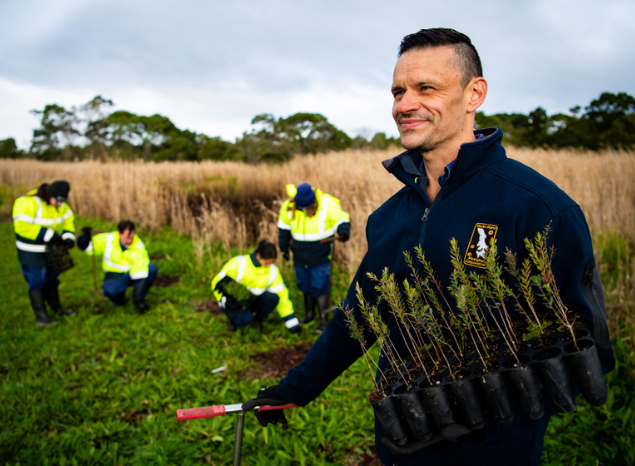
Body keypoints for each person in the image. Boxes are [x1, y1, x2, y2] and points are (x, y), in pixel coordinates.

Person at [242, 28, 615, 466]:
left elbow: (586, 344)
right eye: (398, 91)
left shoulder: (538, 207)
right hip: (402, 438)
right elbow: (359, 316)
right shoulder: (388, 218)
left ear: (474, 93)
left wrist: (485, 407)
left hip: (492, 450)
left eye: (426, 88)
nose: (404, 104)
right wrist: (296, 389)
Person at [277, 183, 350, 332]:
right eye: (301, 207)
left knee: (320, 286)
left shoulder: (327, 203)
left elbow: (341, 219)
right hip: (299, 254)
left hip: (320, 254)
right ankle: (309, 314)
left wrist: (343, 231)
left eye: (307, 207)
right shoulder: (289, 206)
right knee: (305, 285)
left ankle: (323, 320)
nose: (304, 209)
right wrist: (283, 248)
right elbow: (283, 227)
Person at [13, 180, 76, 326]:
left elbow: (68, 222)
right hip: (31, 251)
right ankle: (41, 317)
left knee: (52, 279)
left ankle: (57, 308)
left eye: (62, 201)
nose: (60, 204)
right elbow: (22, 226)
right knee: (37, 280)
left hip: (50, 250)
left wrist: (68, 237)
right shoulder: (27, 202)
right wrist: (47, 234)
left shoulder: (62, 206)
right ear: (49, 195)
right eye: (58, 201)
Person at [212, 240, 301, 334]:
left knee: (273, 298)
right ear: (258, 256)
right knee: (244, 320)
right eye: (266, 263)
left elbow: (282, 295)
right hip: (233, 302)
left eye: (271, 263)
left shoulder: (272, 271)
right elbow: (217, 283)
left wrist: (291, 322)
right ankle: (233, 320)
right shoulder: (239, 263)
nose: (268, 266)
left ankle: (258, 320)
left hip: (251, 300)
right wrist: (224, 300)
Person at [77, 220, 157, 313]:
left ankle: (140, 298)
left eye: (131, 237)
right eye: (127, 238)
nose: (129, 241)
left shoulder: (139, 245)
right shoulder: (107, 239)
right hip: (113, 274)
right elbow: (89, 247)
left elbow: (140, 272)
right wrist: (84, 240)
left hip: (130, 274)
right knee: (111, 291)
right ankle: (119, 298)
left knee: (151, 268)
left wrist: (138, 300)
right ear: (119, 233)